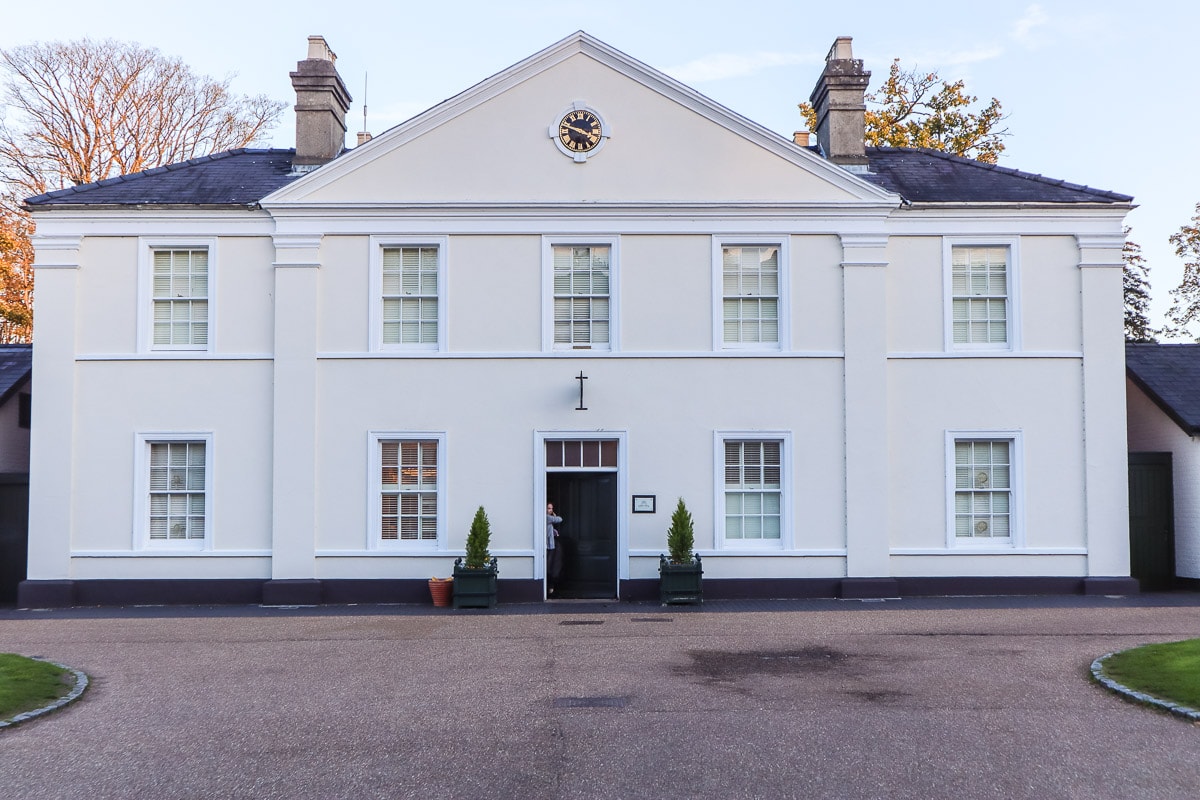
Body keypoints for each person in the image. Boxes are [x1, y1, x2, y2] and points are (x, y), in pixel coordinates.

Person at [546, 502, 563, 597]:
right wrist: (554, 516)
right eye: (549, 508)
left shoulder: (548, 520)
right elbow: (559, 519)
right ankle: (550, 586)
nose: (550, 510)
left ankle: (551, 587)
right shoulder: (547, 518)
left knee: (552, 565)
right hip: (548, 546)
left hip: (551, 545)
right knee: (549, 566)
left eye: (551, 508)